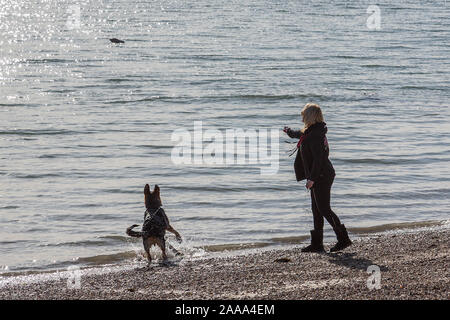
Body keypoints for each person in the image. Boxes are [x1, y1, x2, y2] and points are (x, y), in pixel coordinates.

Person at [283, 103, 352, 253]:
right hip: (319, 175)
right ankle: (317, 244)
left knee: (324, 209)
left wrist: (312, 179)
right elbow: (299, 134)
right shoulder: (313, 131)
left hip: (322, 175)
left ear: (310, 116)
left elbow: (319, 159)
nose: (302, 119)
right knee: (316, 210)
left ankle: (343, 239)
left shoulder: (315, 135)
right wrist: (288, 131)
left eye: (303, 116)